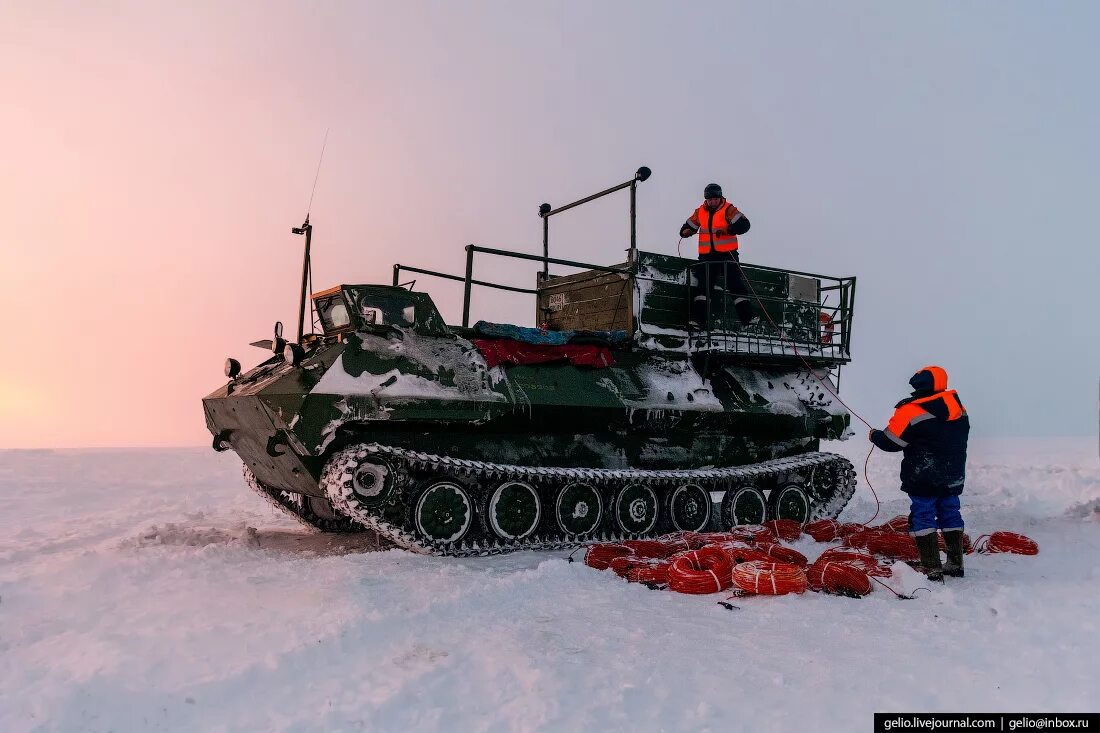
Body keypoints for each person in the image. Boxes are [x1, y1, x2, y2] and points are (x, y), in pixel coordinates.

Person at [869, 366, 971, 581]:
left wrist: (874, 436)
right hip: (953, 473)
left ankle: (931, 567)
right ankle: (955, 564)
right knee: (951, 512)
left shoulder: (910, 410)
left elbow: (892, 442)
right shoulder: (958, 406)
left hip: (924, 475)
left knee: (923, 514)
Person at [679, 183, 753, 328]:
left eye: (715, 199)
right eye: (709, 199)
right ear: (706, 199)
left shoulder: (729, 209)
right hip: (707, 256)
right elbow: (687, 226)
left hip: (728, 254)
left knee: (736, 284)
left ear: (720, 198)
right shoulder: (700, 211)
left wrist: (729, 229)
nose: (712, 202)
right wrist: (686, 232)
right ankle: (699, 320)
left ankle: (747, 319)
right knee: (703, 287)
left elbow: (745, 225)